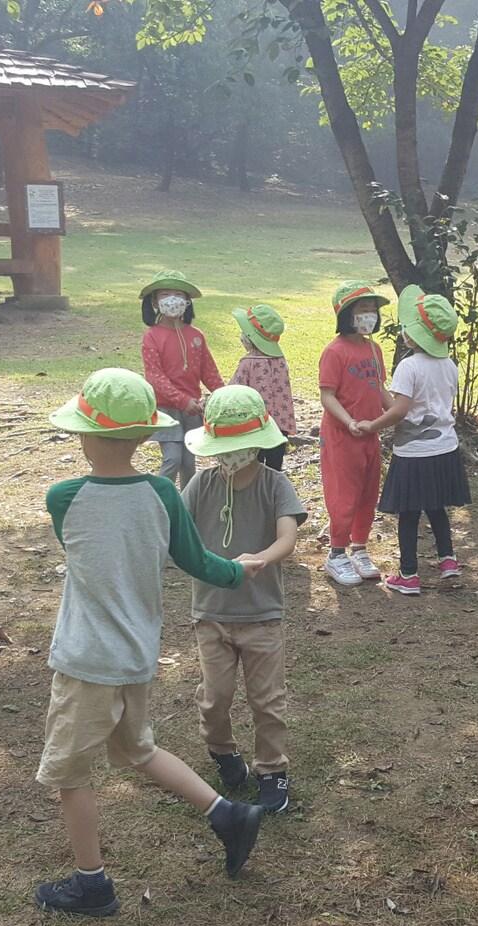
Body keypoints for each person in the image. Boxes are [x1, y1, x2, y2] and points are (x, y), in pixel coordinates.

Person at [34, 368, 266, 918]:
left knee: (69, 774)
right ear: (144, 436)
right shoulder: (163, 492)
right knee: (135, 749)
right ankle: (227, 814)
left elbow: (82, 545)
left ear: (85, 436)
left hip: (88, 660)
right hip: (136, 654)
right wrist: (239, 572)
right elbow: (196, 562)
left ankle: (92, 885)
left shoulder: (64, 497)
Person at [182, 386, 306, 813]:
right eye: (224, 448)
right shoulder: (202, 483)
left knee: (267, 699)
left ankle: (272, 770)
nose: (230, 457)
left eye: (239, 448)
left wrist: (261, 558)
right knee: (214, 696)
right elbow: (178, 533)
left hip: (262, 615)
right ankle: (222, 751)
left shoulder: (275, 485)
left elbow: (288, 536)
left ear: (257, 444)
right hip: (211, 614)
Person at [359, 286, 468, 596]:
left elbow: (401, 410)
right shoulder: (449, 365)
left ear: (414, 334)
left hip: (413, 452)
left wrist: (372, 426)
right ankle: (448, 559)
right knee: (436, 506)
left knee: (408, 513)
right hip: (445, 447)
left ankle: (408, 574)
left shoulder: (408, 366)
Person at [319, 280, 392, 587]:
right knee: (343, 496)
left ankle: (359, 548)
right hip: (341, 437)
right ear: (347, 314)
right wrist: (348, 421)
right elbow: (327, 395)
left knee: (367, 493)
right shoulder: (335, 351)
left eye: (373, 310)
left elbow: (380, 389)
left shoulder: (374, 350)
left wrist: (399, 412)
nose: (370, 316)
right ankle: (336, 554)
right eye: (363, 309)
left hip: (370, 435)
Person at [138, 270, 223, 489]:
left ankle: (187, 504)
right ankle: (159, 499)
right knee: (173, 458)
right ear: (155, 302)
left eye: (178, 294)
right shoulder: (152, 337)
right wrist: (182, 400)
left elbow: (209, 371)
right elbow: (154, 376)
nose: (172, 299)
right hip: (166, 409)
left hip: (193, 410)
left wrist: (223, 395)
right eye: (165, 294)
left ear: (187, 301)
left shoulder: (196, 335)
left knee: (188, 461)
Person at [229, 304, 295, 471]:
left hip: (254, 427)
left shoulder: (247, 363)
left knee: (253, 469)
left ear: (249, 338)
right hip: (279, 427)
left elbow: (233, 391)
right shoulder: (280, 361)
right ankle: (274, 495)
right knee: (274, 469)